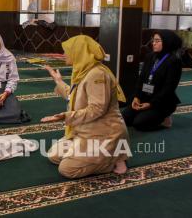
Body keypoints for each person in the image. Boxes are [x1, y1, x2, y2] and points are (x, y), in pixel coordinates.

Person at [41, 35, 129, 179]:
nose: (64, 55)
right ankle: (90, 154)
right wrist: (58, 81)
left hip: (103, 133)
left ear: (79, 52)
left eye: (67, 51)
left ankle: (113, 159)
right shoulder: (83, 70)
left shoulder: (97, 74)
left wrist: (66, 116)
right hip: (85, 130)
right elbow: (74, 96)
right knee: (53, 156)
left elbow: (97, 109)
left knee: (67, 169)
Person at [122, 30, 183, 131]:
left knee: (139, 124)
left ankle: (164, 118)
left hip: (162, 102)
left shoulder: (174, 61)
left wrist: (151, 104)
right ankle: (146, 114)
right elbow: (141, 79)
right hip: (145, 98)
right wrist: (136, 97)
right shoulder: (150, 57)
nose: (153, 43)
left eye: (157, 41)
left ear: (167, 42)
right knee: (124, 119)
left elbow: (168, 88)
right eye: (153, 40)